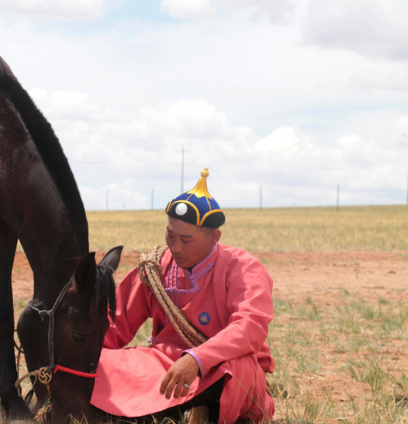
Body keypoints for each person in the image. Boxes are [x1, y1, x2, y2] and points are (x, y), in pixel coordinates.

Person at [90, 168, 275, 424]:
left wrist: (197, 359)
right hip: (161, 364)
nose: (175, 247)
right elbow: (114, 324)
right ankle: (186, 412)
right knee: (97, 361)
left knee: (238, 370)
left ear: (214, 237)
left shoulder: (244, 269)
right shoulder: (156, 267)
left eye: (186, 240)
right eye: (170, 235)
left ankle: (185, 411)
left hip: (219, 365)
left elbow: (250, 327)